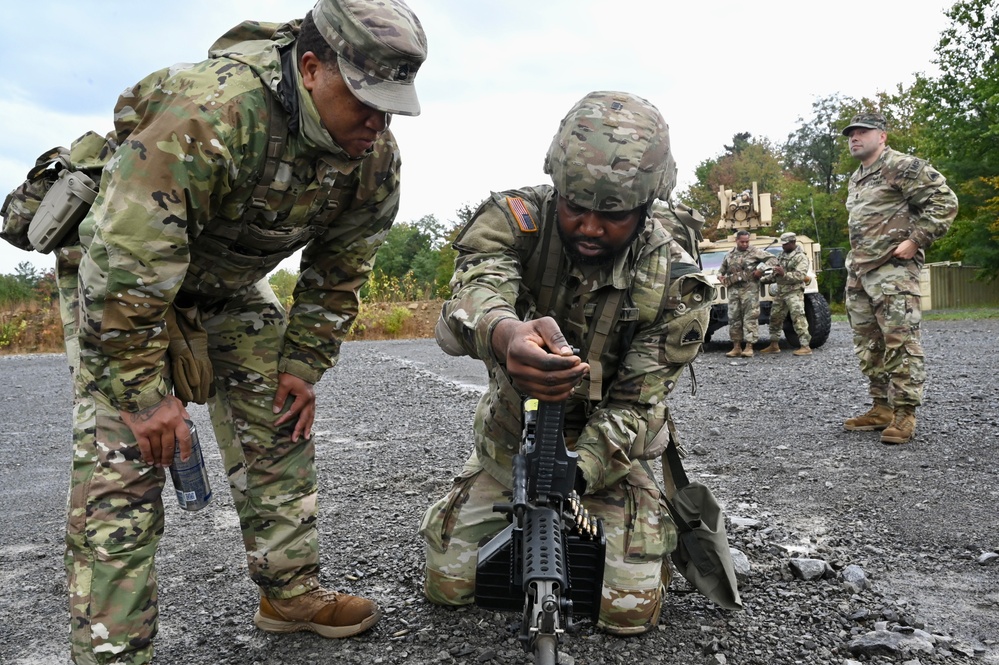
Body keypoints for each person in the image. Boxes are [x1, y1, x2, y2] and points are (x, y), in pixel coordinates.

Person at [62, 1, 428, 662]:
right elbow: (127, 266)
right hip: (121, 277)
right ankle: (109, 649)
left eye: (393, 105)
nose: (378, 122)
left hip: (225, 280)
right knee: (126, 457)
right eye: (365, 100)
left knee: (281, 414)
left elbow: (340, 268)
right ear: (311, 69)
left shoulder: (372, 160)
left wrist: (302, 363)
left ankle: (289, 591)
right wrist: (146, 394)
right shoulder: (210, 115)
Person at [420, 91, 713, 635]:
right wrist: (506, 335)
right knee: (450, 583)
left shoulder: (675, 279)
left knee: (626, 612)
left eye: (613, 215)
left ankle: (646, 508)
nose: (590, 227)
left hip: (609, 455)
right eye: (576, 206)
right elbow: (477, 289)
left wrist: (575, 473)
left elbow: (637, 401)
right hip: (512, 444)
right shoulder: (515, 220)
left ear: (648, 204)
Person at [841, 111, 957, 444]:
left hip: (893, 270)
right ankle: (881, 407)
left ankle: (905, 413)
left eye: (863, 131)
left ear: (883, 137)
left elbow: (944, 201)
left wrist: (916, 240)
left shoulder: (903, 167)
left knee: (900, 341)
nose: (855, 137)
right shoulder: (858, 177)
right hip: (862, 271)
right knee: (869, 343)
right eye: (851, 133)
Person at [717, 230, 775, 357]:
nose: (744, 244)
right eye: (742, 241)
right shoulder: (729, 255)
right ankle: (736, 346)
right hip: (733, 291)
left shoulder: (755, 252)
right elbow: (721, 270)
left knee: (750, 317)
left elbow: (773, 259)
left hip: (749, 290)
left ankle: (749, 346)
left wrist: (761, 270)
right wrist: (720, 277)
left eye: (747, 241)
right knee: (734, 318)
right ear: (736, 240)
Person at [760, 231, 813, 356]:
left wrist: (784, 274)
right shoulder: (781, 255)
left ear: (793, 242)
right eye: (782, 244)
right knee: (775, 318)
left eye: (785, 244)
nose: (783, 246)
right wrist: (761, 280)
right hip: (781, 292)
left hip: (794, 291)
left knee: (798, 317)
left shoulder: (801, 257)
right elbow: (775, 275)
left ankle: (805, 346)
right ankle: (774, 344)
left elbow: (800, 276)